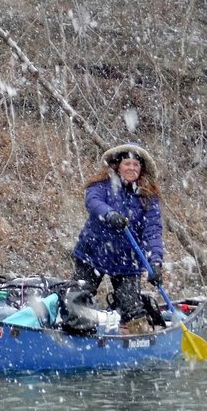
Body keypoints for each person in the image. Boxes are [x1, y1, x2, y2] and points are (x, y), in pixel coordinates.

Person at [72, 143, 164, 334]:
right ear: (117, 166)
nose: (132, 168)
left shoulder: (148, 197)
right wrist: (110, 214)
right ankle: (74, 336)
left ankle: (139, 338)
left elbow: (153, 231)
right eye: (127, 163)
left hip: (127, 260)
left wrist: (156, 262)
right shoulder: (100, 186)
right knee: (77, 300)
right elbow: (93, 202)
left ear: (141, 169)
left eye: (136, 165)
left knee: (132, 309)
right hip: (93, 254)